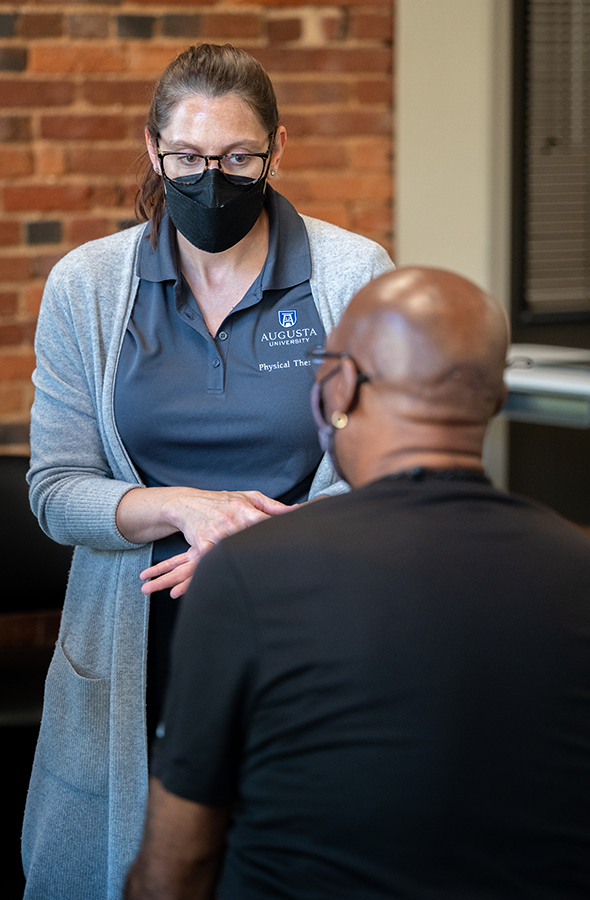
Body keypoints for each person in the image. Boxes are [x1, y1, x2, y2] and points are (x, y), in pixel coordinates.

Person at [21, 43, 394, 900]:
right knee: (125, 868)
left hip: (303, 626)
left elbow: (378, 475)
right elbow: (55, 489)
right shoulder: (88, 286)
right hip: (131, 638)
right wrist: (190, 509)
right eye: (188, 158)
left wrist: (255, 535)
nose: (211, 179)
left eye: (237, 159)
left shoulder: (351, 274)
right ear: (154, 150)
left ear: (277, 149)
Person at [125, 266, 590, 900]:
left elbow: (175, 869)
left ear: (340, 387)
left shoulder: (249, 573)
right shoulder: (577, 564)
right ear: (494, 400)